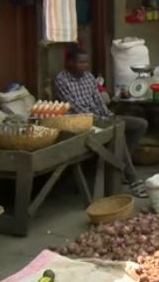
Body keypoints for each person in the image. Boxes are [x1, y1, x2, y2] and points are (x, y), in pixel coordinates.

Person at [54, 47, 149, 198]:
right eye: (81, 62)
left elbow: (98, 101)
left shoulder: (88, 77)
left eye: (86, 62)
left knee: (140, 124)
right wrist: (104, 120)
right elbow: (74, 107)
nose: (85, 66)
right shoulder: (62, 80)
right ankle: (134, 180)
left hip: (101, 117)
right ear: (70, 63)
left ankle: (121, 168)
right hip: (82, 123)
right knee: (118, 132)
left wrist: (109, 115)